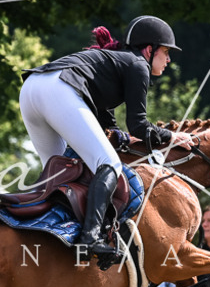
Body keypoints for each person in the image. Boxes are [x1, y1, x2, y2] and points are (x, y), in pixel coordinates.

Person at [20, 16, 195, 260]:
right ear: (149, 49)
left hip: (31, 88)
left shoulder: (113, 67)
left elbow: (109, 129)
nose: (168, 59)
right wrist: (172, 136)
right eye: (165, 52)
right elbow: (138, 125)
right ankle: (91, 238)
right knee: (108, 164)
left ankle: (49, 232)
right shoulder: (137, 65)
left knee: (59, 172)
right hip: (57, 88)